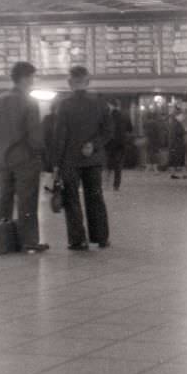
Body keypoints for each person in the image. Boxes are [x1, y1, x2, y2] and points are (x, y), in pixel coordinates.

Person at [0, 62, 49, 253]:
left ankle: (1, 243)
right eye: (32, 78)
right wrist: (41, 153)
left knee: (4, 200)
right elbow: (35, 136)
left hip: (4, 159)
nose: (33, 82)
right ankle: (29, 241)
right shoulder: (30, 103)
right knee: (27, 201)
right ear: (25, 78)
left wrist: (2, 146)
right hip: (26, 159)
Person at [52, 66, 113, 251]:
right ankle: (100, 238)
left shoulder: (64, 105)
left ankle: (78, 240)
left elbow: (59, 136)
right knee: (95, 197)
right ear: (88, 82)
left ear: (70, 83)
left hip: (70, 160)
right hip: (93, 159)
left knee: (71, 199)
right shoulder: (100, 103)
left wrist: (55, 163)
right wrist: (93, 145)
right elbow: (109, 131)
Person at [105, 99, 133, 190]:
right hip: (121, 143)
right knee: (118, 165)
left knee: (109, 163)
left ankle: (107, 183)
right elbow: (130, 129)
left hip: (110, 143)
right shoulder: (125, 115)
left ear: (111, 105)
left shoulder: (108, 116)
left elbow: (105, 129)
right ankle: (116, 185)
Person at [168, 109, 187, 178]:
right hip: (177, 145)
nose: (183, 117)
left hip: (176, 145)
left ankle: (174, 174)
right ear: (177, 116)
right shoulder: (176, 124)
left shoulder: (175, 123)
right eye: (182, 116)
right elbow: (174, 135)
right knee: (179, 160)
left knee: (176, 160)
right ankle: (182, 174)